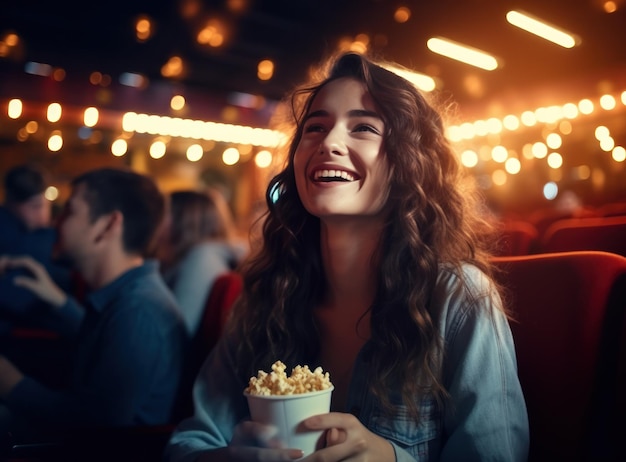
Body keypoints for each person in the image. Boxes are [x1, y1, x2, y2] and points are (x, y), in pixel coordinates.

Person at [164, 52, 529, 461]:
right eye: (315, 128)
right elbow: (189, 442)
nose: (329, 143)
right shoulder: (264, 297)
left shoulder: (459, 298)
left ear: (407, 162)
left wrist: (393, 459)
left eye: (363, 128)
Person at [0, 167, 188, 439]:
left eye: (69, 211)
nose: (55, 223)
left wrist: (8, 381)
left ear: (109, 225)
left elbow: (93, 427)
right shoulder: (133, 295)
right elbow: (103, 341)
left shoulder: (138, 312)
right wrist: (56, 298)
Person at [158, 189, 247, 337]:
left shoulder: (202, 258)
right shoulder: (201, 256)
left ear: (184, 221)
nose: (157, 222)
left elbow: (178, 332)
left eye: (163, 215)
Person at [0, 164, 71, 331]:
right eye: (35, 206)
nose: (42, 214)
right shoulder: (12, 230)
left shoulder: (48, 234)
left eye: (45, 205)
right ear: (11, 203)